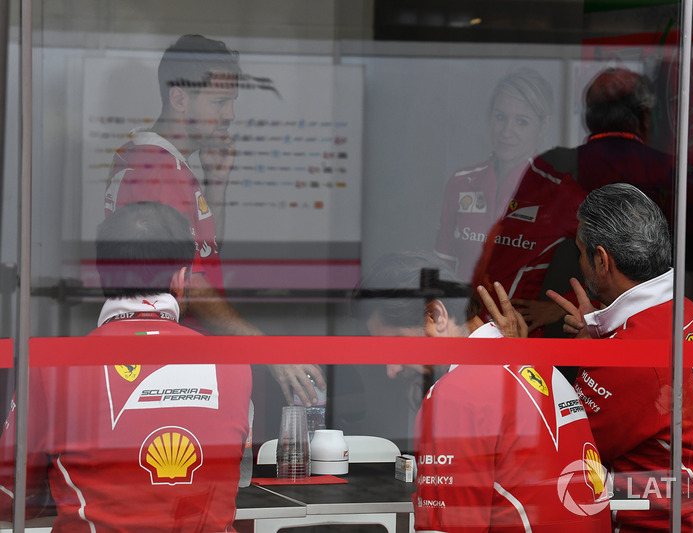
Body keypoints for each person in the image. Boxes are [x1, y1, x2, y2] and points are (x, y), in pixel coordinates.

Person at [0, 201, 251, 531]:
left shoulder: (51, 368)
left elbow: (9, 500)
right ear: (181, 279)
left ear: (102, 275)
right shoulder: (235, 365)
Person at [103, 34, 324, 406]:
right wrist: (269, 352)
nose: (230, 115)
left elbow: (201, 256)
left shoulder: (157, 159)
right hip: (176, 371)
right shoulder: (158, 169)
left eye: (232, 102)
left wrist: (216, 186)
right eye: (220, 101)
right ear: (179, 98)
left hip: (176, 363)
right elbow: (190, 285)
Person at [355, 252, 611, 533]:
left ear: (436, 315)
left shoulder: (456, 395)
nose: (391, 370)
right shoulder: (541, 366)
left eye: (395, 347)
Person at [547, 184, 693, 533]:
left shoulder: (629, 357)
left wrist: (513, 360)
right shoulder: (689, 312)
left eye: (579, 251)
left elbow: (563, 447)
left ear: (602, 260)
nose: (577, 261)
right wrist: (601, 335)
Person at [434, 69, 554, 283]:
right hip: (463, 314)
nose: (506, 131)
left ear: (543, 126)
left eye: (522, 122)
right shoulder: (461, 182)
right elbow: (441, 263)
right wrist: (435, 310)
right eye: (501, 117)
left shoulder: (555, 192)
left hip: (518, 316)